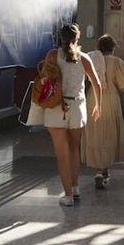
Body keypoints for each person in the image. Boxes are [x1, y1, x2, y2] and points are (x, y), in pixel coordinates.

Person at [35, 23, 102, 206]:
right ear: (77, 38)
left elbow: (44, 79)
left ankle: (67, 196)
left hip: (57, 107)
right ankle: (75, 187)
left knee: (62, 154)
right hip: (78, 106)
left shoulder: (52, 56)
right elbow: (97, 83)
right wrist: (98, 105)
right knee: (74, 149)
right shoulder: (84, 58)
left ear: (60, 37)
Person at [83, 33, 124, 189]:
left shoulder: (91, 59)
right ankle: (104, 169)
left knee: (95, 132)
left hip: (92, 98)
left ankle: (98, 170)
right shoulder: (115, 62)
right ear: (112, 48)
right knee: (108, 132)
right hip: (110, 98)